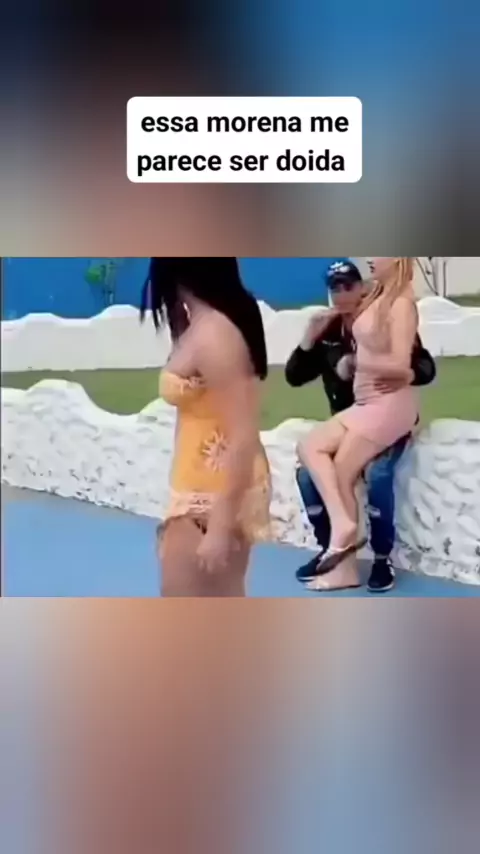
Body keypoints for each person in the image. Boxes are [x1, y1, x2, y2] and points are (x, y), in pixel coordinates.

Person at [286, 259, 436, 592]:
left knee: (360, 473)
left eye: (348, 286)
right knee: (309, 448)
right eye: (335, 288)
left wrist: (356, 363)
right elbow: (293, 375)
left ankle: (367, 559)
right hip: (364, 405)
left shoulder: (401, 303)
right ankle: (341, 534)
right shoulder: (368, 304)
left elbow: (405, 364)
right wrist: (311, 337)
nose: (342, 293)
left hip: (386, 406)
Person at [140, 257, 271, 597]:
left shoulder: (215, 334)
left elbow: (243, 433)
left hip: (212, 492)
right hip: (199, 482)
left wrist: (220, 526)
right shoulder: (204, 326)